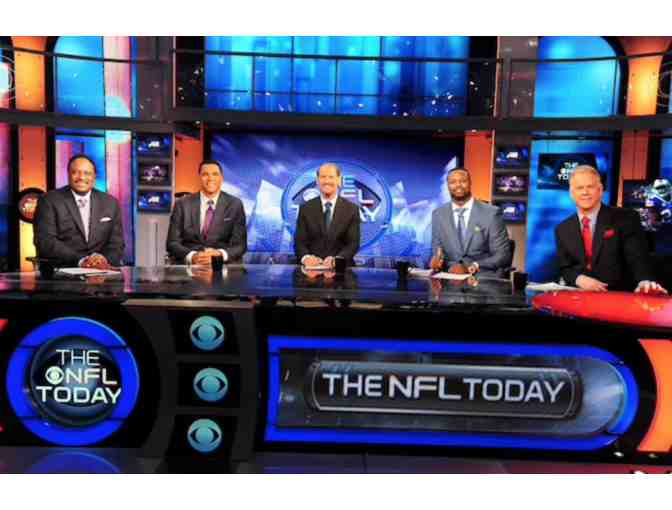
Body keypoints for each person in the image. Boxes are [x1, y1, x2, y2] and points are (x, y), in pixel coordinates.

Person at [555, 165, 667, 294]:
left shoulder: (626, 218)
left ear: (600, 190)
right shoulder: (562, 229)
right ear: (571, 193)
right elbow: (565, 268)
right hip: (580, 298)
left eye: (590, 187)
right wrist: (578, 279)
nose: (585, 192)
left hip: (619, 297)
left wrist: (644, 281)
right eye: (579, 188)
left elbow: (638, 258)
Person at [33, 154, 124, 268]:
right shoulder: (49, 201)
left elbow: (117, 242)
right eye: (75, 172)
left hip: (102, 270)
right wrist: (81, 260)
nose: (81, 177)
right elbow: (45, 241)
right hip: (62, 270)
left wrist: (103, 260)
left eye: (87, 173)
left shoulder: (110, 203)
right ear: (68, 174)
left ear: (94, 176)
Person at [430, 167, 512, 276]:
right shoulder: (438, 214)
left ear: (470, 183)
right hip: (450, 277)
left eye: (463, 181)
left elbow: (503, 256)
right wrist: (437, 261)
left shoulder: (491, 213)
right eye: (453, 182)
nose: (458, 185)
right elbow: (437, 251)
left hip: (483, 277)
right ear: (448, 186)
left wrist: (472, 266)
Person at [166, 160, 247, 265]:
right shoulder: (182, 204)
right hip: (189, 266)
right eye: (205, 174)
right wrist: (193, 256)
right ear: (199, 177)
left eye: (215, 174)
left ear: (221, 178)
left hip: (222, 265)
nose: (210, 178)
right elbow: (172, 243)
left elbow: (240, 245)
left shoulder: (235, 204)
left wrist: (219, 255)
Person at [294, 162, 360, 268]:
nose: (327, 181)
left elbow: (353, 244)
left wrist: (336, 260)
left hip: (341, 270)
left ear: (339, 180)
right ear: (317, 181)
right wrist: (306, 258)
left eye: (331, 177)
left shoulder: (352, 209)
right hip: (311, 270)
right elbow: (299, 242)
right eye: (323, 177)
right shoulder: (305, 208)